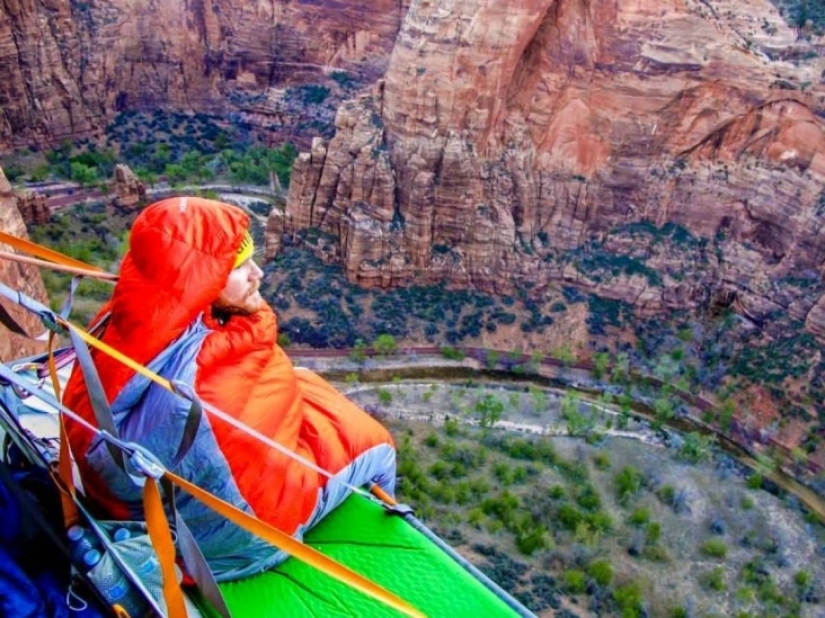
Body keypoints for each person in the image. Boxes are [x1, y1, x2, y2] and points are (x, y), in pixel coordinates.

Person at [62, 197, 396, 580]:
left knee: (304, 383)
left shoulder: (118, 324)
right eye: (239, 267)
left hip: (127, 505)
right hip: (251, 538)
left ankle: (147, 546)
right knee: (377, 443)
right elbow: (250, 471)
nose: (259, 274)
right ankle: (388, 552)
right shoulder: (207, 383)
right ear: (204, 280)